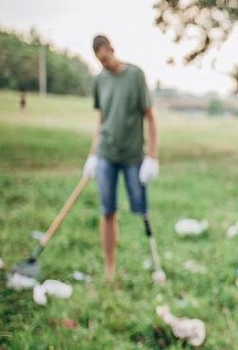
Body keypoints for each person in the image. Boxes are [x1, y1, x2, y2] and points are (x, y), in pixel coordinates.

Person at [82, 34, 159, 281]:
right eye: (99, 61)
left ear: (112, 49)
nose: (104, 63)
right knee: (107, 210)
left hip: (133, 156)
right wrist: (92, 154)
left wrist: (153, 157)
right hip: (106, 154)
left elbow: (151, 117)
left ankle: (155, 261)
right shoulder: (99, 81)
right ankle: (110, 270)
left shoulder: (135, 75)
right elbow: (101, 118)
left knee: (141, 208)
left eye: (106, 58)